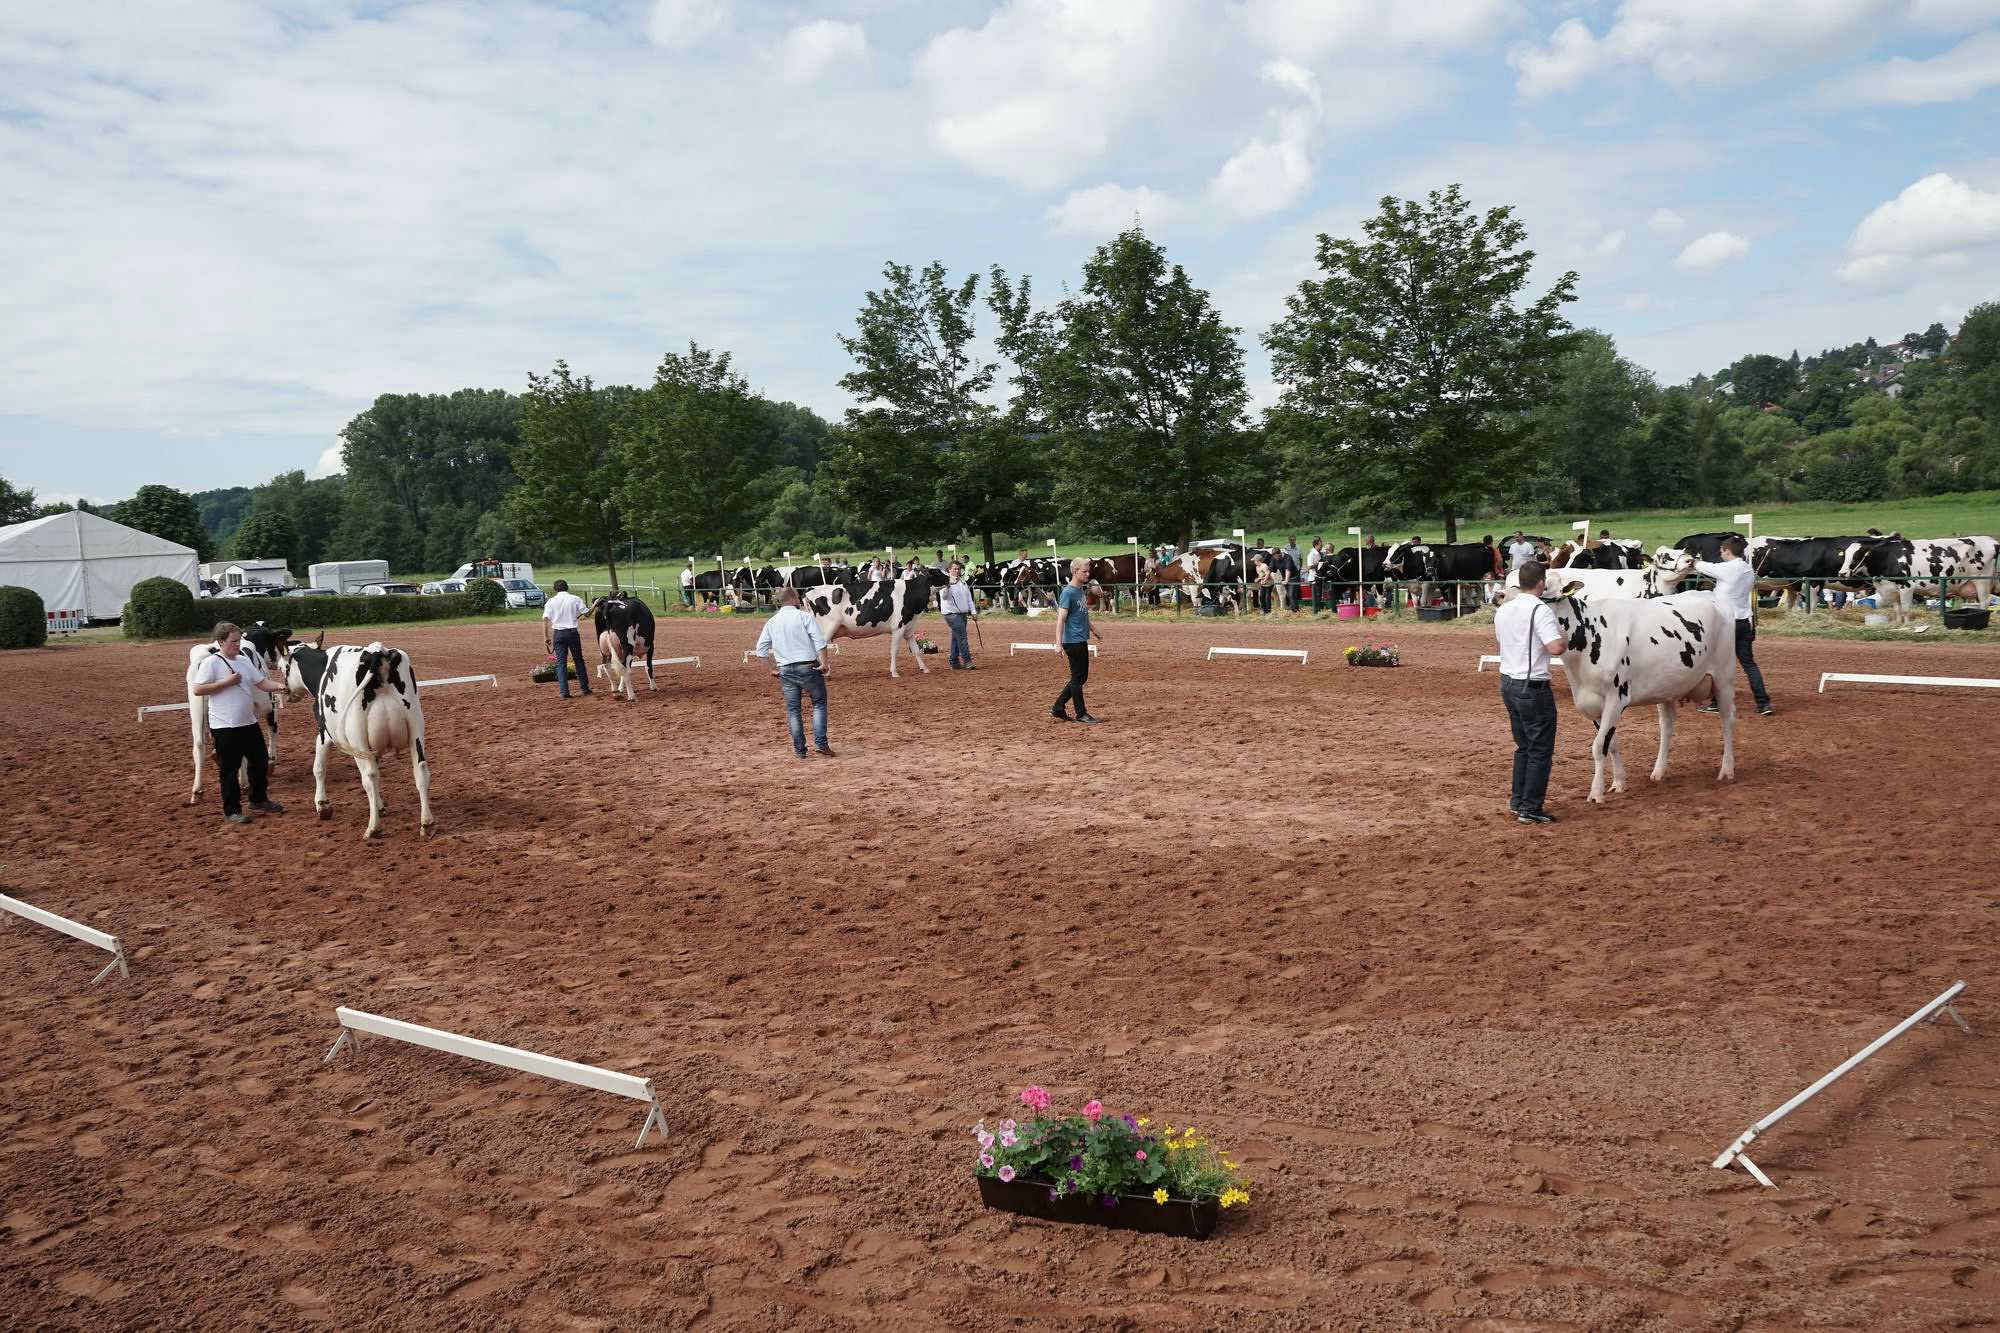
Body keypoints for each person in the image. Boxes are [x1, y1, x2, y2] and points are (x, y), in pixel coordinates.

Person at [191, 621, 288, 825]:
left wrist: (279, 686)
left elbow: (260, 682)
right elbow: (198, 690)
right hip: (225, 726)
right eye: (234, 641)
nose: (238, 644)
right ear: (221, 642)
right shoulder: (212, 663)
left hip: (248, 722)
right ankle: (232, 811)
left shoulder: (243, 660)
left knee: (260, 761)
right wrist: (227, 682)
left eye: (239, 640)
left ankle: (258, 799)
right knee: (229, 770)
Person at [1493, 564, 1565, 825]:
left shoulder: (1504, 609)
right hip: (1532, 685)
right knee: (1540, 749)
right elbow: (1555, 647)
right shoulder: (1540, 610)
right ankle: (1531, 807)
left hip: (1508, 682)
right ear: (1541, 583)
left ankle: (1518, 800)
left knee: (1524, 746)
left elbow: (1502, 641)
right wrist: (1564, 637)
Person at [1695, 535, 1773, 717]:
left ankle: (1716, 703)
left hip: (1726, 622)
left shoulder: (1728, 568)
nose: (1720, 554)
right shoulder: (1749, 569)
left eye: (1721, 551)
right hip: (1744, 621)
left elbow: (1702, 566)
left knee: (1717, 665)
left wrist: (1691, 559)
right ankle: (1763, 703)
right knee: (1749, 664)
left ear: (1727, 551)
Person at [752, 587, 833, 758]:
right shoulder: (804, 617)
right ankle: (821, 743)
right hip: (808, 666)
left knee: (793, 710)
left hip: (786, 670)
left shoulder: (771, 622)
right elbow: (820, 642)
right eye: (797, 597)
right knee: (819, 703)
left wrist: (771, 670)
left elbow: (761, 650)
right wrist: (824, 663)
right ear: (794, 599)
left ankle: (800, 750)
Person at [1050, 556, 1104, 725]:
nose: (1088, 574)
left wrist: (1093, 629)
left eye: (1089, 571)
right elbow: (1061, 619)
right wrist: (1058, 643)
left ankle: (1058, 707)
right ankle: (1081, 713)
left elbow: (1082, 614)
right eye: (1085, 571)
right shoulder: (1068, 593)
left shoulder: (1080, 590)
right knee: (1078, 677)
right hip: (1072, 641)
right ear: (1075, 572)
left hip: (1080, 639)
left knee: (1080, 677)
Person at [543, 578, 591, 699]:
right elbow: (587, 614)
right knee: (578, 660)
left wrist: (546, 636)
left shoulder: (551, 601)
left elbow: (545, 619)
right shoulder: (575, 599)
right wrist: (594, 605)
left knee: (561, 663)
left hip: (558, 633)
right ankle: (584, 689)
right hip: (572, 633)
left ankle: (564, 691)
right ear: (567, 587)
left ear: (555, 589)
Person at [940, 561, 978, 669]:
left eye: (958, 569)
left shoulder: (962, 581)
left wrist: (973, 612)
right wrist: (947, 587)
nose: (957, 571)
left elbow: (969, 598)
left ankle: (954, 661)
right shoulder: (945, 582)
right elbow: (944, 597)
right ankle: (967, 661)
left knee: (956, 638)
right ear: (949, 569)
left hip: (962, 614)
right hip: (952, 615)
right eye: (955, 569)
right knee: (962, 637)